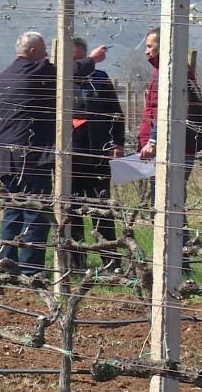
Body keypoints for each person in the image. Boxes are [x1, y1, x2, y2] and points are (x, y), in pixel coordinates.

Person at [0, 32, 106, 275]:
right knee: (36, 212)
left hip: (6, 156)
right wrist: (93, 60)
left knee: (13, 211)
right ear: (33, 51)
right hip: (31, 156)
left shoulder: (4, 76)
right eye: (44, 50)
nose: (47, 55)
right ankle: (31, 270)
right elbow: (70, 74)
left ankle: (7, 266)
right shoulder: (38, 71)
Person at [137, 27, 202, 274]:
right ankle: (173, 265)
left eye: (150, 45)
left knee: (168, 208)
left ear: (165, 44)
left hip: (171, 150)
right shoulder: (165, 69)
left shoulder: (172, 70)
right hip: (167, 149)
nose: (146, 50)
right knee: (166, 208)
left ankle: (177, 267)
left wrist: (154, 140)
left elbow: (171, 109)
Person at [68, 37, 124, 271]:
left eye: (79, 58)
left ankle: (111, 263)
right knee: (71, 211)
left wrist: (117, 143)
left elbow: (116, 114)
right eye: (72, 59)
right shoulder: (58, 81)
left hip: (98, 154)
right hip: (69, 157)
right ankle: (76, 263)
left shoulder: (100, 79)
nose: (77, 63)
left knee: (102, 210)